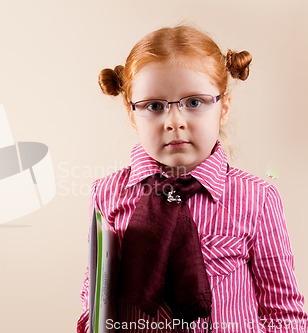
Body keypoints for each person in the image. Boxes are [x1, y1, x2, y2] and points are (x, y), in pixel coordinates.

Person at [77, 25, 308, 333]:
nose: (175, 122)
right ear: (132, 115)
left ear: (223, 107)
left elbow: (284, 313)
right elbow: (94, 299)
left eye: (194, 102)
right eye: (154, 106)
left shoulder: (257, 198)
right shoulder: (107, 194)